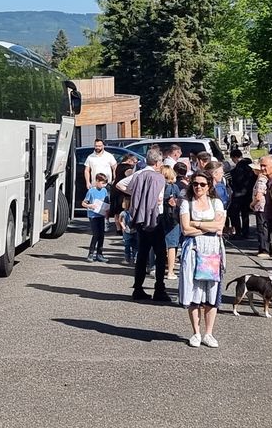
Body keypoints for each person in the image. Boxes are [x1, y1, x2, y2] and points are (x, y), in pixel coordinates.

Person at [178, 173, 227, 347]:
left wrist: (197, 224)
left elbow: (219, 226)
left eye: (202, 184)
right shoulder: (186, 203)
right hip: (193, 250)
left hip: (212, 250)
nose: (198, 187)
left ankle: (209, 333)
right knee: (194, 290)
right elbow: (185, 229)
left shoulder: (217, 203)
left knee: (211, 290)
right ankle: (196, 333)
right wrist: (209, 227)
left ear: (209, 186)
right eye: (195, 184)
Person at [117, 146, 171, 302]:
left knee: (142, 253)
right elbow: (159, 198)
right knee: (160, 254)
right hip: (155, 217)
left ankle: (138, 288)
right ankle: (159, 288)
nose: (161, 164)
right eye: (160, 161)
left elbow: (120, 185)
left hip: (140, 218)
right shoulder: (158, 177)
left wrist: (137, 196)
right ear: (156, 162)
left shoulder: (138, 174)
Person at [82, 173, 111, 262]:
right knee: (96, 234)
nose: (104, 185)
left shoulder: (104, 191)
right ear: (97, 181)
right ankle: (91, 253)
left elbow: (107, 203)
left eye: (105, 183)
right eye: (102, 183)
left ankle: (99, 254)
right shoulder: (91, 191)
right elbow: (83, 203)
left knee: (101, 235)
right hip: (93, 215)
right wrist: (90, 206)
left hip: (101, 215)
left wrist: (107, 215)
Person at [228, 149, 255, 239]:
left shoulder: (238, 168)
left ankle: (238, 231)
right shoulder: (250, 167)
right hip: (248, 194)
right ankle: (246, 232)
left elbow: (235, 180)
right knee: (245, 214)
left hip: (238, 194)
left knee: (234, 213)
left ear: (235, 157)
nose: (233, 161)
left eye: (232, 159)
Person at [251, 162, 269, 255]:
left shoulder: (261, 179)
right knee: (262, 227)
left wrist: (252, 203)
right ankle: (262, 247)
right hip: (260, 206)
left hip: (260, 206)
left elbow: (259, 195)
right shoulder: (260, 178)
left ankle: (264, 249)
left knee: (262, 227)